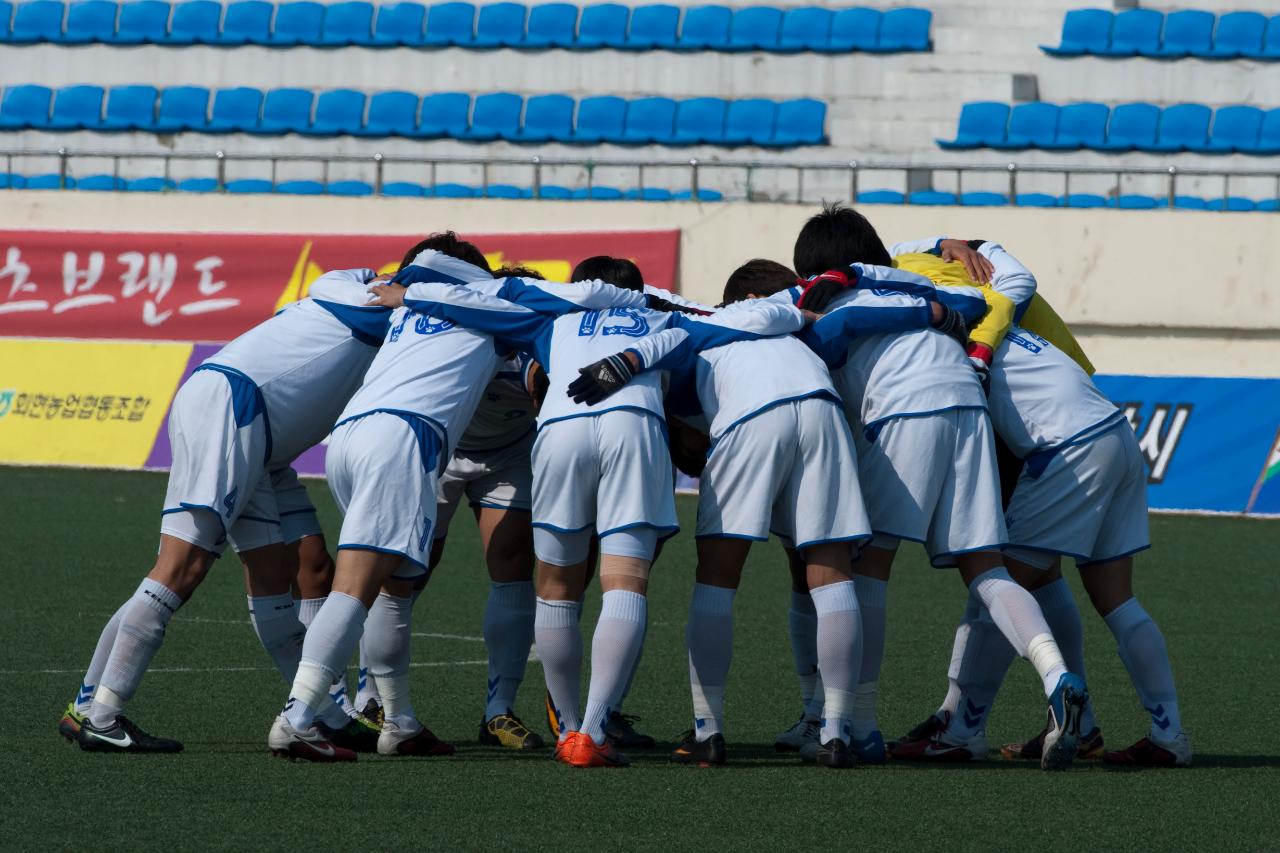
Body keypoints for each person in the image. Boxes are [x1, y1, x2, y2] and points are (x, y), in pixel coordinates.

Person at [393, 260, 805, 767]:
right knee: (625, 582)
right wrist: (801, 307)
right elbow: (749, 321)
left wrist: (407, 296)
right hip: (634, 428)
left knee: (556, 587)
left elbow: (474, 304)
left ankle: (567, 730)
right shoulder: (663, 316)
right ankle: (593, 730)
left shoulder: (552, 320)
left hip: (562, 427)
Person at [269, 236, 660, 762]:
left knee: (398, 582)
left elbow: (328, 286)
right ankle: (301, 716)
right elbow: (579, 301)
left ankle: (402, 720)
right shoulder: (499, 305)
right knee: (362, 586)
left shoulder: (407, 300)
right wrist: (646, 303)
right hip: (411, 443)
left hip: (356, 436)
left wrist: (390, 285)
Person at [786, 204, 1091, 771]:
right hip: (969, 403)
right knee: (988, 569)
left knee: (870, 562)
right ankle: (1056, 673)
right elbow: (978, 301)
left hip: (905, 408)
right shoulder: (912, 280)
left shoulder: (829, 301)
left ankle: (861, 725)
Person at [883, 239, 1192, 768]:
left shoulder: (934, 333)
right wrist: (945, 244)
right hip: (1115, 431)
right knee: (1113, 599)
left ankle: (962, 730)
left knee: (996, 589)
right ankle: (1163, 735)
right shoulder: (995, 310)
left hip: (1066, 449)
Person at [62, 267, 394, 754]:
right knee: (181, 568)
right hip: (236, 410)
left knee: (280, 568)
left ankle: (323, 713)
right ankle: (103, 715)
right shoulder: (379, 308)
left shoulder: (351, 290)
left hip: (255, 431)